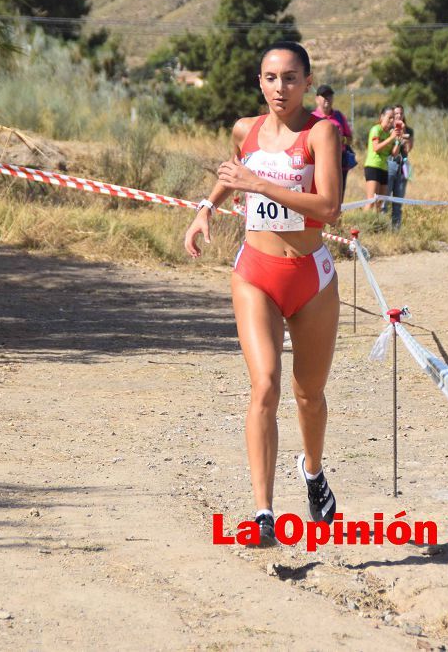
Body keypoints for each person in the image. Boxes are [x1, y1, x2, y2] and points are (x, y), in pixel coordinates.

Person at [183, 42, 342, 546]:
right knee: (265, 386)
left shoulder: (321, 133)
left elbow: (330, 206)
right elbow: (235, 173)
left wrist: (262, 184)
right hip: (255, 272)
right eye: (271, 78)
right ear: (260, 81)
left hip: (311, 278)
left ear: (307, 82)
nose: (280, 88)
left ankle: (313, 473)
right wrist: (207, 207)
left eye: (291, 78)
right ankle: (263, 512)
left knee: (308, 395)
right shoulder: (244, 130)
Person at [311, 84, 354, 200]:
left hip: (339, 162)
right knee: (319, 195)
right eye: (323, 96)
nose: (327, 98)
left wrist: (340, 139)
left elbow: (350, 139)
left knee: (338, 197)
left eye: (329, 96)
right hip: (317, 162)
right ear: (317, 99)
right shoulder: (311, 117)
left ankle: (337, 218)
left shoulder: (339, 116)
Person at [364, 107, 400, 212]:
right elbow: (376, 148)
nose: (392, 120)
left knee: (379, 203)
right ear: (382, 117)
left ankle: (376, 226)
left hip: (384, 168)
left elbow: (393, 154)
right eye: (389, 118)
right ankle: (361, 225)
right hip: (373, 167)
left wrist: (397, 141)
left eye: (393, 118)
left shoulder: (389, 134)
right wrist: (391, 138)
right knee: (371, 201)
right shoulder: (376, 129)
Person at [385, 104, 414, 230]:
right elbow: (392, 152)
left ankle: (396, 230)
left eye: (401, 113)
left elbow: (408, 150)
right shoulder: (388, 129)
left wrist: (404, 135)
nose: (398, 116)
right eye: (396, 113)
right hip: (391, 163)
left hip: (403, 164)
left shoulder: (409, 130)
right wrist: (397, 137)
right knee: (384, 199)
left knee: (398, 201)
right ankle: (382, 228)